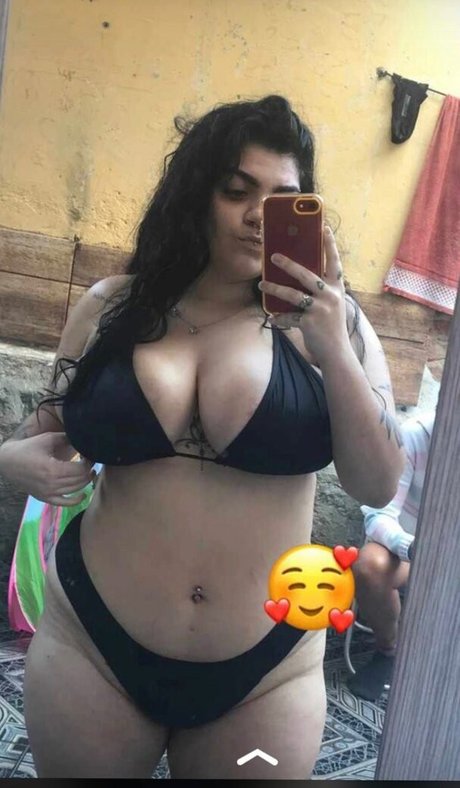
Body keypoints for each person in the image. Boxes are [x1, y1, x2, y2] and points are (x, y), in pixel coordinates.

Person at [0, 95, 405, 779]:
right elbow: (41, 429)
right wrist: (15, 461)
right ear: (195, 194)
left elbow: (378, 482)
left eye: (282, 198)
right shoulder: (113, 307)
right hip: (93, 647)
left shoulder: (337, 326)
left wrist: (333, 345)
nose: (259, 215)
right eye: (236, 190)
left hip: (267, 671)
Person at [348, 410, 435, 701]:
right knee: (369, 566)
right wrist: (412, 548)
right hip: (409, 551)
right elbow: (379, 514)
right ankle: (389, 651)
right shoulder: (415, 435)